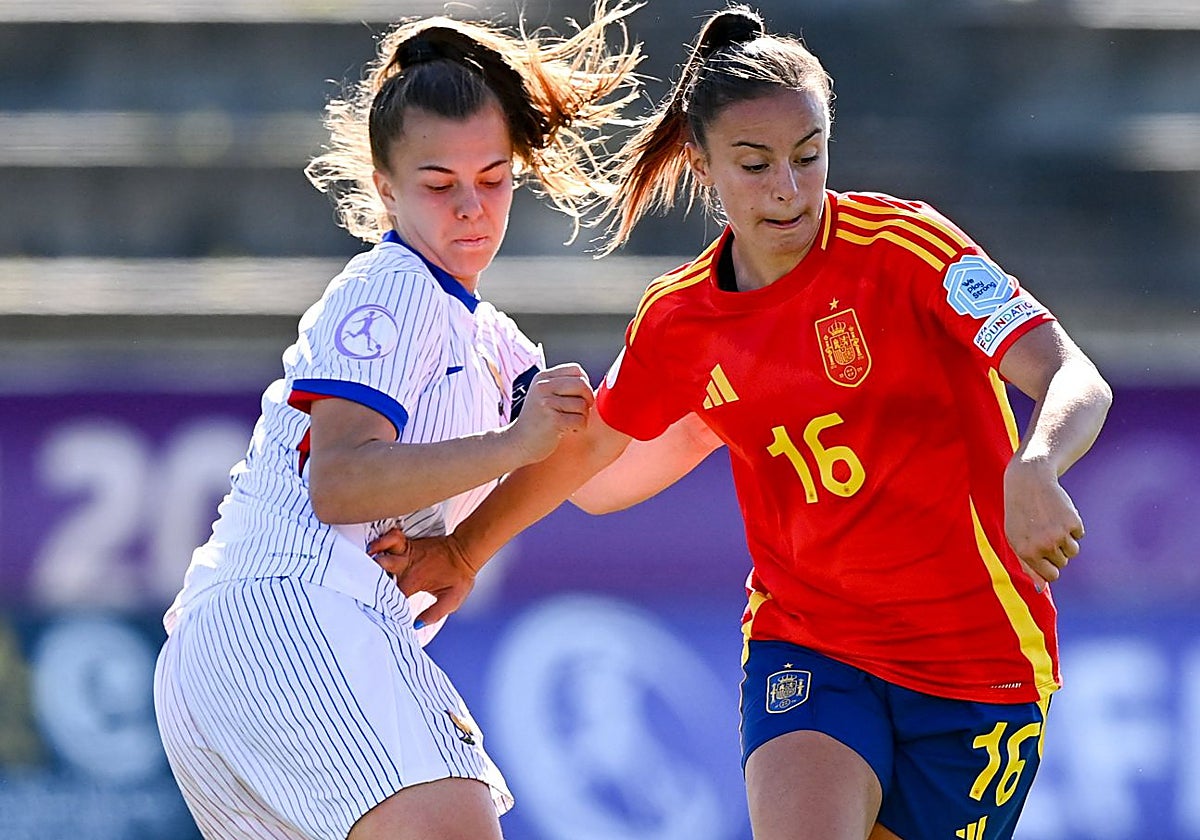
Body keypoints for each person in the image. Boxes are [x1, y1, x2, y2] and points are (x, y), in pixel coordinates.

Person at [371, 5, 1114, 840]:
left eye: (808, 157)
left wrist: (1038, 461)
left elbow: (1070, 374)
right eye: (755, 165)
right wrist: (465, 547)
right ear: (705, 163)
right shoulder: (678, 321)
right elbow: (598, 465)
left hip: (977, 661)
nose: (788, 189)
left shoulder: (906, 249)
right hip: (811, 642)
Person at [151, 6, 642, 839]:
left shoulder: (486, 336)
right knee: (458, 823)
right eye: (440, 184)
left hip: (232, 658)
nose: (472, 208)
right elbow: (339, 482)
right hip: (291, 615)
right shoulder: (394, 286)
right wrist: (513, 443)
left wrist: (712, 374)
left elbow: (599, 463)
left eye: (493, 178)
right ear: (385, 188)